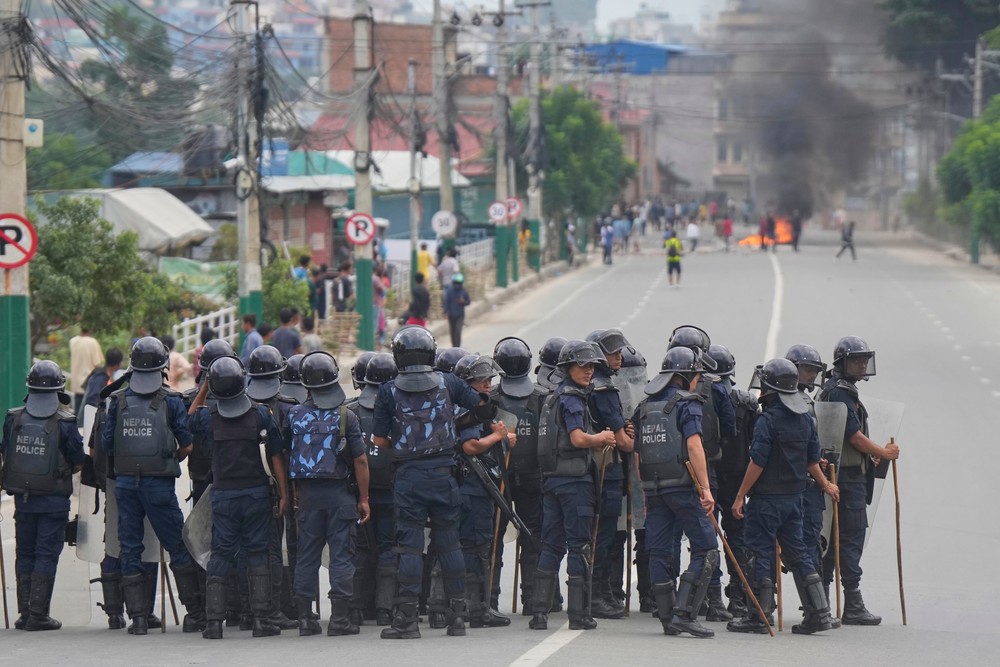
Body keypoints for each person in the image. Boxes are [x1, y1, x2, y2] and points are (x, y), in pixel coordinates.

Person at [372, 326, 488, 639]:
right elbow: (482, 406)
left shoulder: (387, 391)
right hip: (444, 475)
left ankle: (407, 619)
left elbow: (380, 440)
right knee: (450, 542)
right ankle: (458, 617)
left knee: (409, 548)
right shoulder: (448, 382)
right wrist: (455, 423)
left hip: (408, 478)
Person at [727, 358, 840, 635]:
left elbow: (758, 462)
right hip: (794, 500)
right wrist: (825, 485)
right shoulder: (805, 418)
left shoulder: (768, 420)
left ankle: (759, 616)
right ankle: (819, 613)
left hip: (766, 501)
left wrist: (740, 495)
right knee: (799, 554)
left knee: (760, 553)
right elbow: (812, 460)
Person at [101, 337, 205, 635]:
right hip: (159, 485)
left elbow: (107, 445)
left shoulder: (117, 401)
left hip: (125, 486)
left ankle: (139, 619)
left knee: (131, 546)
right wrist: (170, 457)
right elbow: (187, 445)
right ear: (162, 367)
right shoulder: (170, 400)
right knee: (176, 544)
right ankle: (195, 613)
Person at [188, 356, 290, 639]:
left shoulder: (208, 418)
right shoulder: (261, 415)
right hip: (257, 495)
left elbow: (190, 417)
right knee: (257, 553)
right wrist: (284, 493)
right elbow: (276, 457)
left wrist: (206, 387)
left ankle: (213, 623)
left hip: (223, 497)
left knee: (221, 554)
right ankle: (260, 620)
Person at [529, 340, 616, 632]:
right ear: (568, 367)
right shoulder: (573, 399)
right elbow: (578, 438)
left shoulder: (553, 396)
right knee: (578, 546)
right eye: (583, 366)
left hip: (552, 480)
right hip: (573, 482)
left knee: (551, 544)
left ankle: (539, 612)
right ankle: (578, 615)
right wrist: (602, 438)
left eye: (592, 366)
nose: (589, 371)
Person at [634, 347, 718, 639]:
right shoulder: (688, 404)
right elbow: (694, 446)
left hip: (654, 489)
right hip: (683, 487)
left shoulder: (644, 407)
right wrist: (705, 489)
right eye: (697, 375)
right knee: (706, 547)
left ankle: (668, 618)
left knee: (658, 552)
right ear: (686, 377)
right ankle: (684, 614)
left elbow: (638, 454)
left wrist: (644, 489)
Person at [287, 351, 370, 636]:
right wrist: (364, 498)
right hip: (340, 498)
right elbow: (360, 460)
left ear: (305, 385)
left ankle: (305, 619)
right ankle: (340, 619)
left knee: (306, 556)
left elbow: (286, 455)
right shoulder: (346, 416)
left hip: (308, 498)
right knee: (341, 557)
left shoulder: (294, 416)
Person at [817, 336, 900, 625]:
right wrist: (883, 452)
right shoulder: (840, 393)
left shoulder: (837, 390)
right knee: (850, 540)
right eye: (856, 360)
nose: (862, 364)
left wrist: (871, 459)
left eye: (865, 359)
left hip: (840, 476)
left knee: (830, 539)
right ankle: (851, 604)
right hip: (846, 480)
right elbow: (853, 435)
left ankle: (821, 605)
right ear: (842, 363)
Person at [1, 361, 85, 631]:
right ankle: (38, 615)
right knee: (46, 555)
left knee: (24, 552)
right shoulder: (66, 421)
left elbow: (5, 453)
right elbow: (78, 461)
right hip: (54, 501)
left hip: (23, 499)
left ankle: (25, 613)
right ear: (59, 389)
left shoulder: (13, 418)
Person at [453, 354, 516, 628]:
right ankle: (477, 609)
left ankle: (470, 606)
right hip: (472, 488)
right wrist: (497, 437)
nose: (488, 384)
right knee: (477, 548)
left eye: (489, 379)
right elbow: (470, 447)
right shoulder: (467, 410)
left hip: (472, 487)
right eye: (482, 380)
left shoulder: (470, 407)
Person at [492, 337, 548, 616]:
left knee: (495, 537)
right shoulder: (541, 397)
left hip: (501, 479)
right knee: (532, 537)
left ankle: (490, 600)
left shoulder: (490, 397)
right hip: (528, 478)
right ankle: (533, 602)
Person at [584, 329, 635, 621]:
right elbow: (624, 442)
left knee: (600, 532)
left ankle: (600, 592)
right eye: (613, 352)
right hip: (608, 468)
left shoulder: (592, 385)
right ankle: (597, 594)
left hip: (593, 468)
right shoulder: (604, 390)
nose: (619, 357)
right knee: (603, 534)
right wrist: (635, 439)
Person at [347, 353, 398, 627]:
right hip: (391, 491)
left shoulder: (350, 410)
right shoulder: (400, 408)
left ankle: (356, 610)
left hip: (357, 494)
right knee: (389, 548)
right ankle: (385, 610)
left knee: (360, 550)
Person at [70, 327, 104, 419]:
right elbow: (97, 363)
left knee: (76, 414)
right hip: (89, 383)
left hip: (77, 383)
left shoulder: (73, 341)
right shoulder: (92, 342)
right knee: (88, 415)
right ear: (90, 330)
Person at [443, 273, 471, 348]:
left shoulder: (464, 291)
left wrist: (463, 301)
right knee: (452, 331)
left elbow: (468, 302)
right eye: (456, 283)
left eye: (458, 283)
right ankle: (454, 346)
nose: (457, 285)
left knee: (458, 331)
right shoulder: (449, 290)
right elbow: (446, 302)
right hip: (451, 314)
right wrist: (445, 312)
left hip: (460, 314)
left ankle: (457, 346)